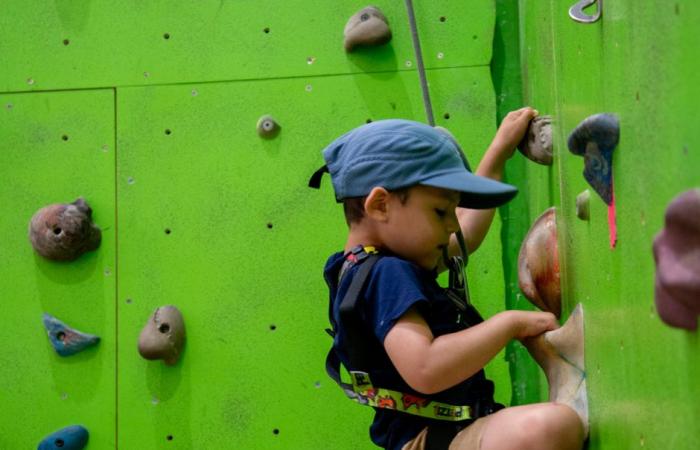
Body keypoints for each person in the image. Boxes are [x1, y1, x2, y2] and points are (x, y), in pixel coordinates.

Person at [310, 108, 585, 450]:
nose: (452, 225)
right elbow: (425, 368)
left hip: (447, 435)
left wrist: (499, 150)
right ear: (380, 206)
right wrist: (509, 324)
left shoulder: (360, 267)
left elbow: (465, 232)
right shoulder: (387, 274)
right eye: (440, 212)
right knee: (545, 428)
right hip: (434, 442)